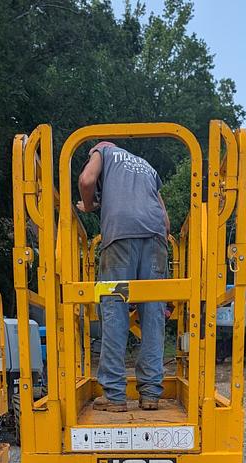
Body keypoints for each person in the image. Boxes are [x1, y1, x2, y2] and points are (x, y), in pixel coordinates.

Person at [77, 141, 170, 412]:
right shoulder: (148, 167)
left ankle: (115, 395)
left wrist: (89, 205)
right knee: (153, 312)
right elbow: (165, 221)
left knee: (114, 311)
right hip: (155, 238)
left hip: (119, 235)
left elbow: (86, 179)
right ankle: (151, 393)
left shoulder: (102, 150)